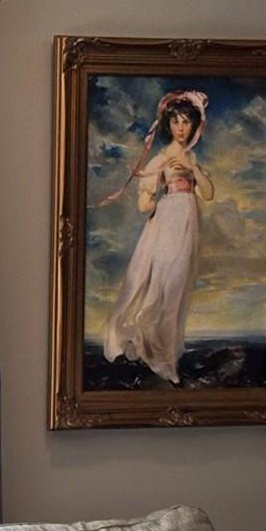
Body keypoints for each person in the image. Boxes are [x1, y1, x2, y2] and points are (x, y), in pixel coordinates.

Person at [101, 91, 214, 384]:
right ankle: (160, 359)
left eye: (186, 121)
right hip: (168, 222)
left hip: (188, 225)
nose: (180, 127)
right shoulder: (162, 158)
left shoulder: (191, 158)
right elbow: (145, 200)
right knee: (165, 285)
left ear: (193, 125)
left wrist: (193, 169)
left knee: (178, 290)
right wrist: (149, 204)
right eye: (175, 121)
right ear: (168, 124)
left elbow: (209, 193)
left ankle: (164, 354)